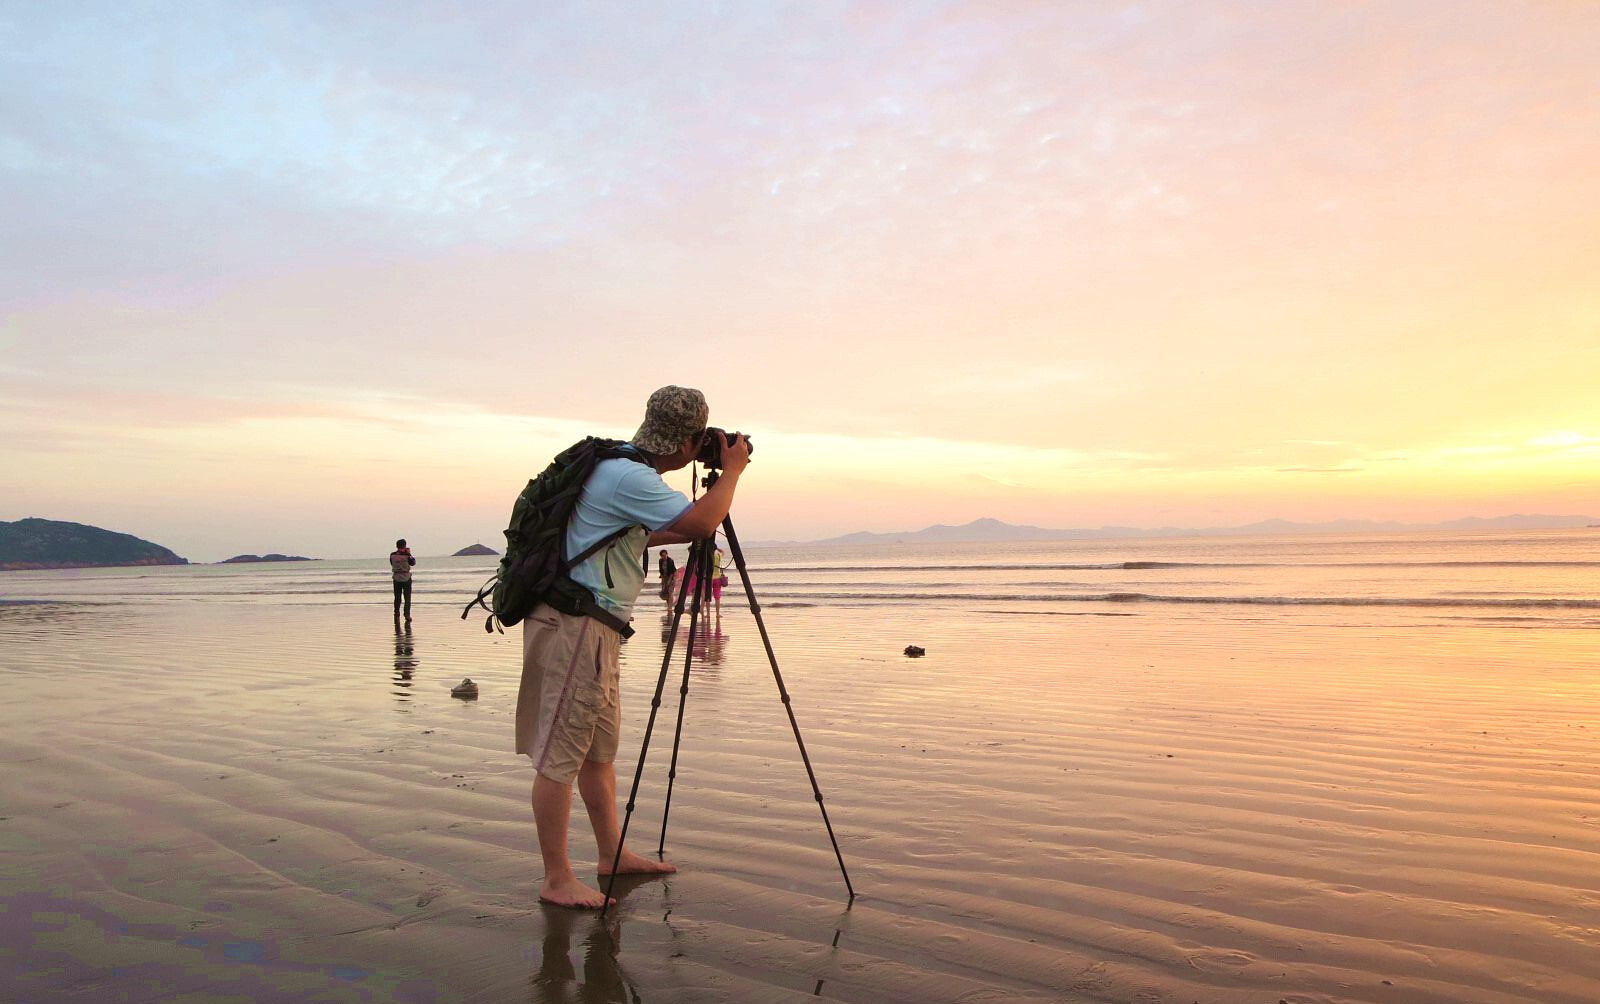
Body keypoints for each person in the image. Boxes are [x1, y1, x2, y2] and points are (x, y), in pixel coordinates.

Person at [516, 386, 751, 909]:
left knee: (597, 754)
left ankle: (612, 854)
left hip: (593, 629)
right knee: (560, 757)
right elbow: (701, 521)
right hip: (577, 627)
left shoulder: (617, 471)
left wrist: (678, 529)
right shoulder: (629, 475)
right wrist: (732, 472)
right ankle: (557, 879)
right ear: (690, 441)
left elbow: (623, 537)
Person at [389, 538, 415, 622]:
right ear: (404, 546)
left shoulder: (392, 555)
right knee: (407, 598)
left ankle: (396, 614)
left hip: (396, 577)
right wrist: (409, 553)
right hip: (406, 577)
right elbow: (413, 563)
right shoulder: (407, 555)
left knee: (397, 597)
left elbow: (391, 563)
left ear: (397, 546)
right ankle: (407, 615)